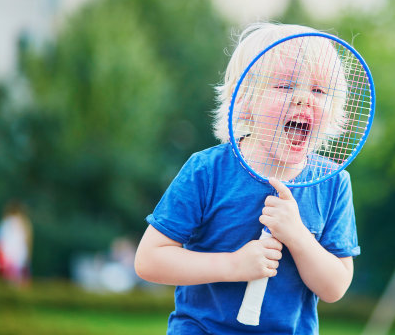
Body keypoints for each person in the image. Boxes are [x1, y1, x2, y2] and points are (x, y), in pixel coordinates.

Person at [134, 22, 360, 334]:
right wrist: (233, 265)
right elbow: (149, 261)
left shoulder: (333, 183)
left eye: (319, 90)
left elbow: (335, 286)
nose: (303, 99)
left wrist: (297, 235)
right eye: (284, 86)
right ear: (243, 99)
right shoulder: (207, 171)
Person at [0, 201, 32, 286]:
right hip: (19, 256)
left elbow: (0, 240)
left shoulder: (6, 223)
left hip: (8, 256)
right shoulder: (24, 223)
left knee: (8, 281)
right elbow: (27, 240)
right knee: (18, 281)